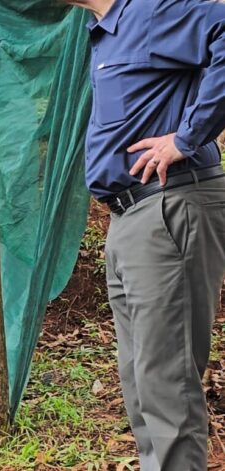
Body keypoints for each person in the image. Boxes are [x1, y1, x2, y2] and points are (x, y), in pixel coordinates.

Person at [64, 0, 225, 469]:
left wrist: (187, 137)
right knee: (140, 382)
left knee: (166, 384)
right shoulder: (104, 32)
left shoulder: (152, 11)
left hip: (167, 205)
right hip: (128, 217)